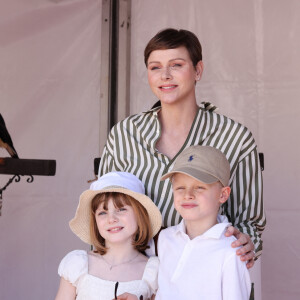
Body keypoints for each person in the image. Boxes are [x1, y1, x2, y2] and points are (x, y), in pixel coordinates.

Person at [98, 28, 266, 265]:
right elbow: (101, 210)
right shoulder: (124, 134)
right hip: (134, 269)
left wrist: (247, 243)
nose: (165, 75)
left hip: (202, 269)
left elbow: (249, 223)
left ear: (198, 70)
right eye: (155, 67)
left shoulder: (236, 138)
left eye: (176, 65)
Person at [155, 145, 251, 299]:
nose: (188, 195)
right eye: (180, 188)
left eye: (199, 187)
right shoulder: (165, 238)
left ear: (223, 195)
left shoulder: (231, 251)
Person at [54, 172, 162, 300]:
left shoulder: (153, 272)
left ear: (140, 215)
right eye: (102, 213)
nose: (111, 219)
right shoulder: (78, 265)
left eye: (121, 209)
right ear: (95, 221)